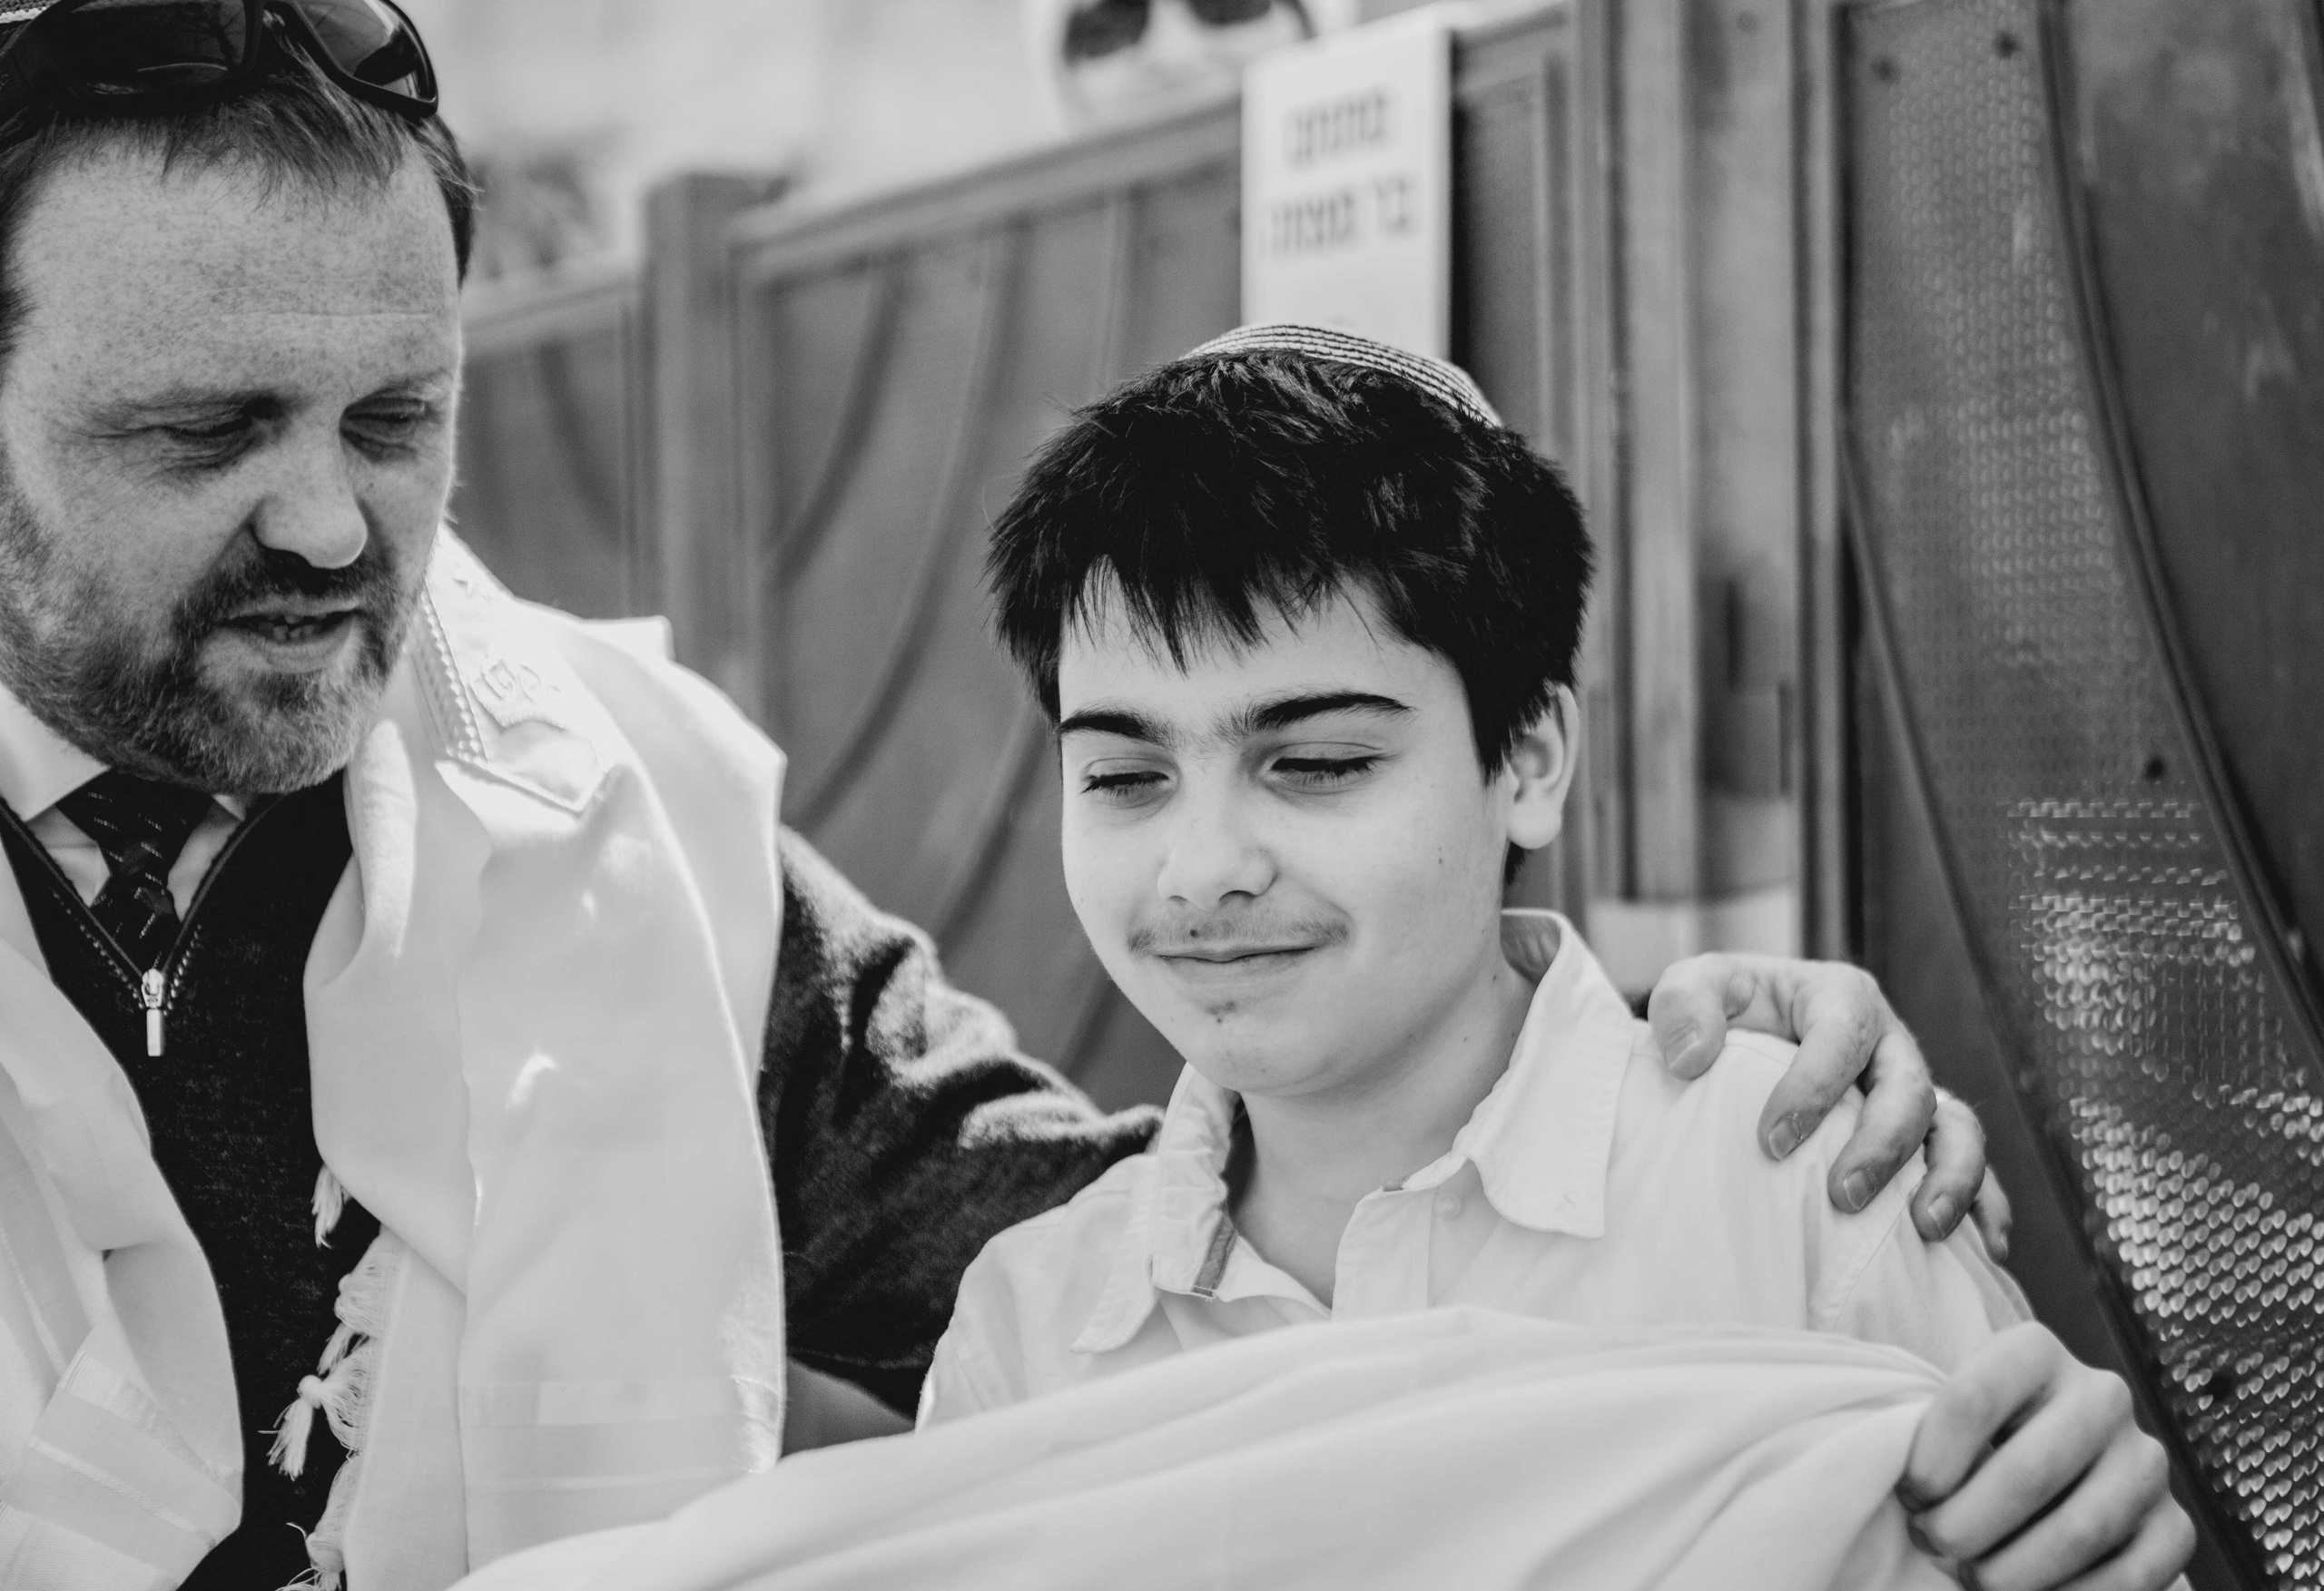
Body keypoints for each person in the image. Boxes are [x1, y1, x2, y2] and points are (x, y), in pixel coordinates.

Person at [0, 4, 1997, 1588]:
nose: (337, 520)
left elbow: (1167, 1271)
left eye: (398, 419)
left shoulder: (621, 835)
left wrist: (1681, 1091)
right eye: (205, 430)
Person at [923, 328, 2196, 1591]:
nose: (1202, 867)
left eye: (1315, 763)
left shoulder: (1793, 1190)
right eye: (1125, 776)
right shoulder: (1030, 1332)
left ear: (1528, 759)